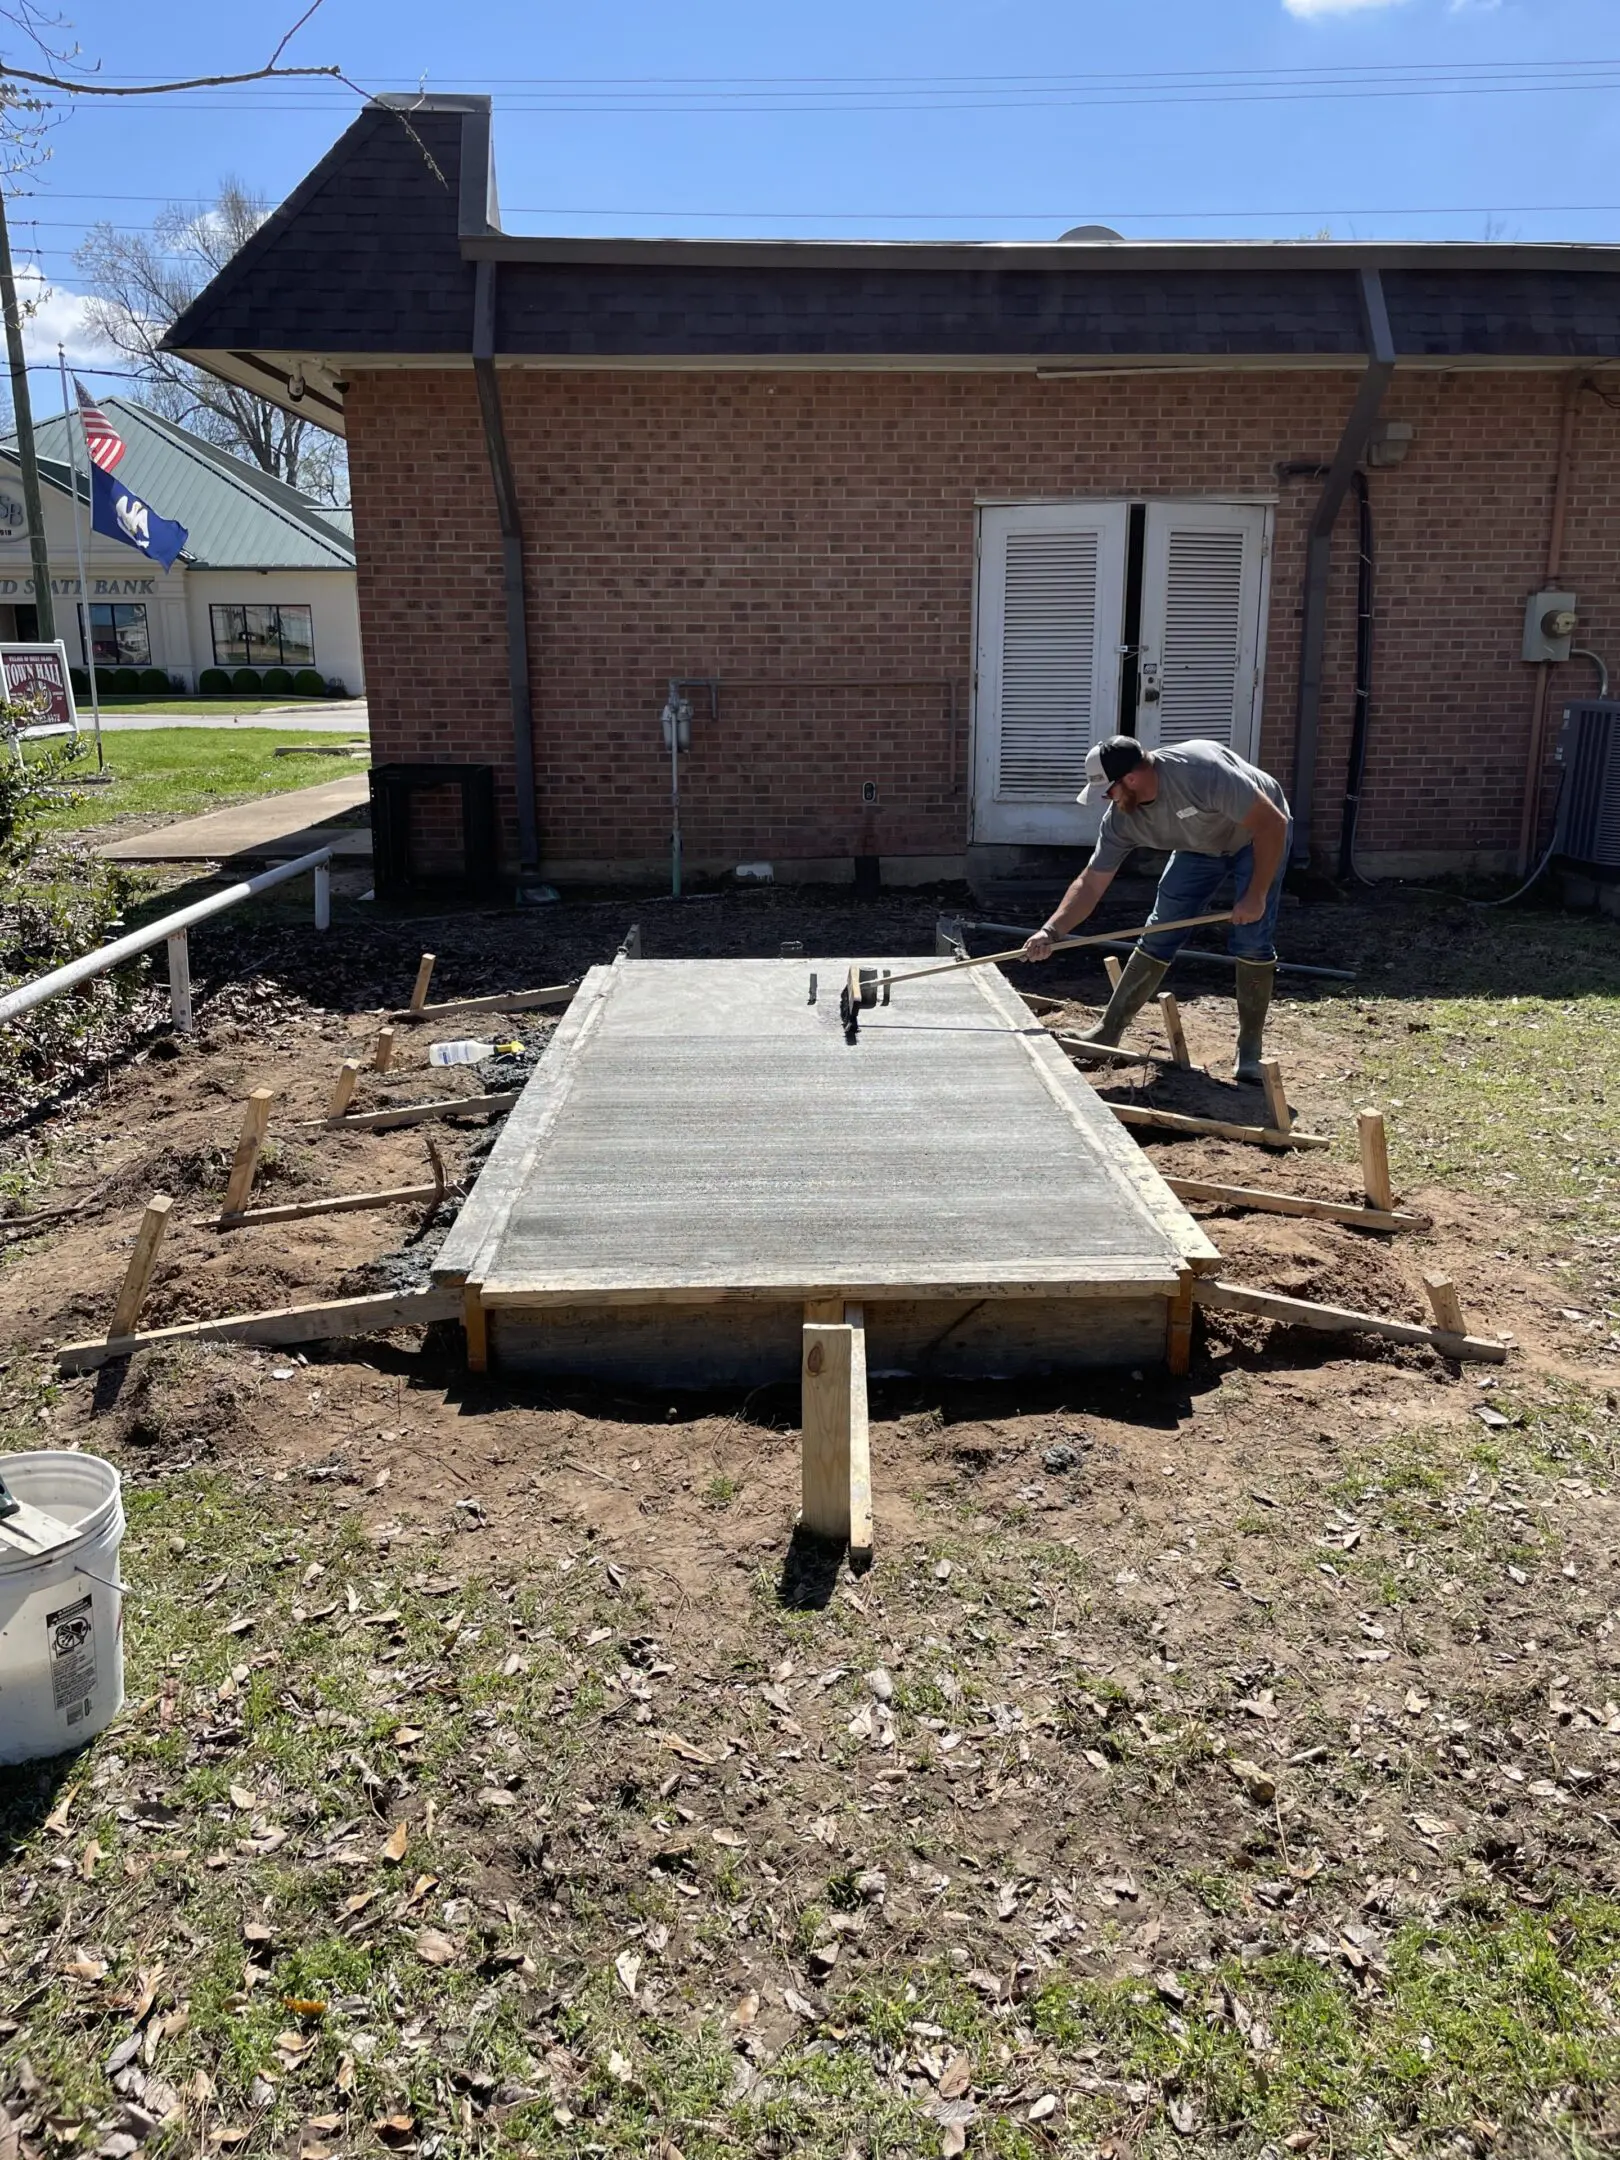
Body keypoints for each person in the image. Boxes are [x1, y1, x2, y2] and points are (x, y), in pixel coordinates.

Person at [1020, 735, 1292, 1083]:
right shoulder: (1122, 818)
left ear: (1130, 779)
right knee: (1161, 928)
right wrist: (1051, 930)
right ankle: (1108, 1031)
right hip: (1199, 846)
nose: (1108, 800)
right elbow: (1091, 882)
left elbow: (1273, 823)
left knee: (1252, 939)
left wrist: (1256, 895)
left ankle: (1250, 1051)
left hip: (1257, 835)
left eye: (1108, 791)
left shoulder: (1201, 771)